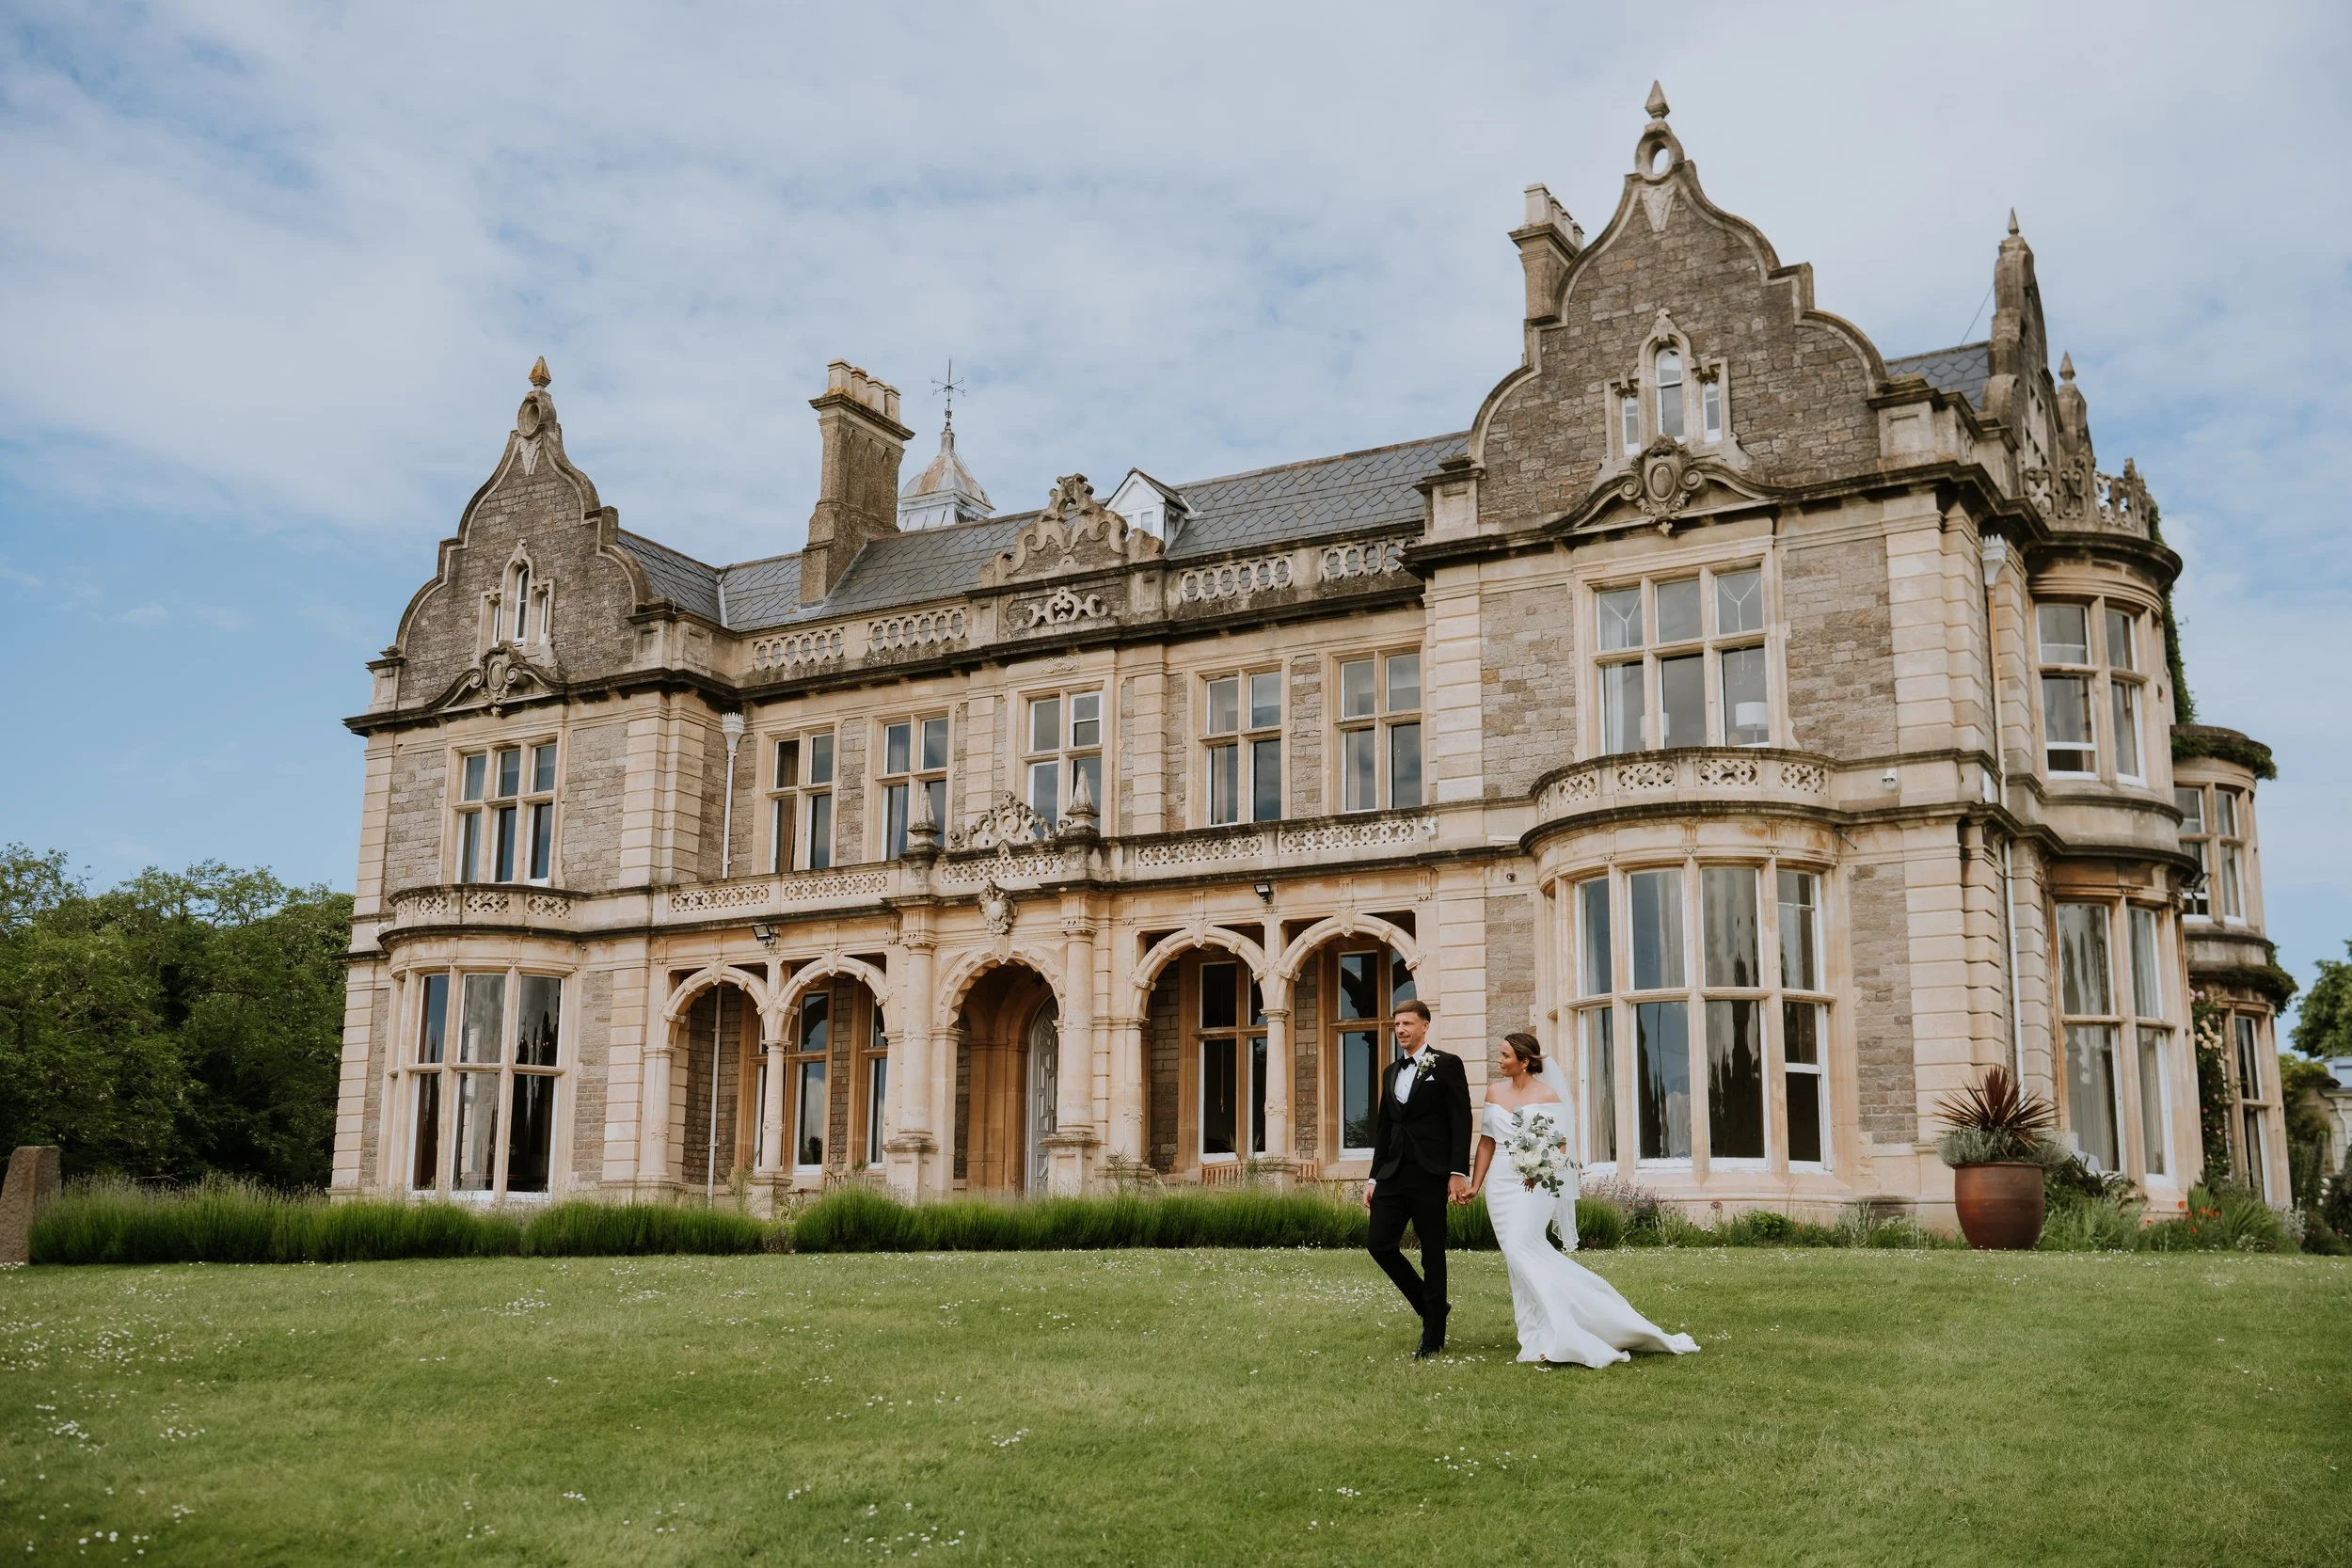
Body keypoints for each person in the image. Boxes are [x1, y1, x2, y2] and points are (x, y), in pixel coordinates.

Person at [1470, 1031, 1701, 1369]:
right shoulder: (1493, 1092)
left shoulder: (1547, 1096)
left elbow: (1559, 1146)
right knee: (1517, 1261)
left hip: (1535, 1185)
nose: (1500, 1060)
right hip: (1500, 1185)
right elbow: (1486, 1142)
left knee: (1523, 1250)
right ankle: (1534, 1335)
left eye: (1505, 1055)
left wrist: (1537, 1170)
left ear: (1525, 1061)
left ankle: (1571, 1331)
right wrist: (1475, 1185)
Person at [1361, 998, 1471, 1357]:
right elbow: (1384, 1128)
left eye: (1407, 1023)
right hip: (1392, 1173)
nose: (1401, 1030)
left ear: (1425, 1025)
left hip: (1430, 1174)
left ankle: (1433, 1337)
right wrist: (1373, 1178)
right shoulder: (1390, 1072)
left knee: (1432, 1253)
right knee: (1379, 1244)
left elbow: (1461, 1121)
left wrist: (1457, 1172)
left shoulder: (1447, 1064)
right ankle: (1431, 1306)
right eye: (1397, 1025)